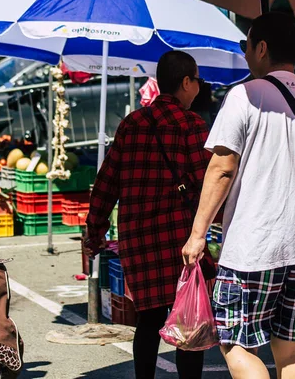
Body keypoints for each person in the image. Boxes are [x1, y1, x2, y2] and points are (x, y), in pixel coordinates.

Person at [182, 12, 295, 379]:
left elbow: (222, 167)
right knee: (291, 351)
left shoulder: (244, 96)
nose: (244, 54)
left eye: (246, 46)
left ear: (261, 48)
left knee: (236, 345)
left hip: (252, 250)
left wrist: (198, 234)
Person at [84, 50, 212, 379]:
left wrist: (93, 234)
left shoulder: (132, 123)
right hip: (180, 239)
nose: (199, 85)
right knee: (188, 320)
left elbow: (105, 183)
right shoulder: (192, 125)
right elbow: (207, 184)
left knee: (149, 318)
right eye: (196, 79)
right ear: (186, 82)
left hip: (137, 240)